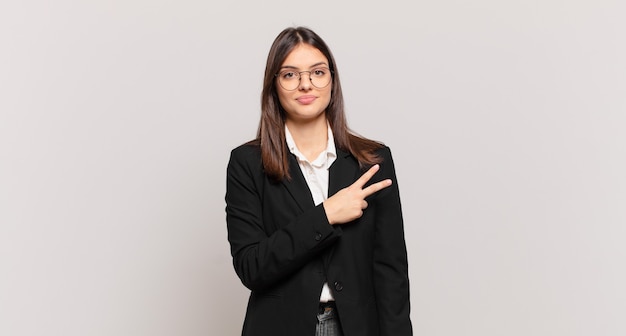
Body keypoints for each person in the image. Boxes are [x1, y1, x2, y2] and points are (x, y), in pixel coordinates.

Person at [225, 26, 412, 336]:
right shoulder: (247, 164)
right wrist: (326, 214)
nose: (305, 84)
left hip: (355, 326)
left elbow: (391, 273)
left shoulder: (372, 160)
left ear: (332, 80)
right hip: (279, 326)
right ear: (274, 85)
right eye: (290, 75)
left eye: (317, 72)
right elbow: (251, 266)